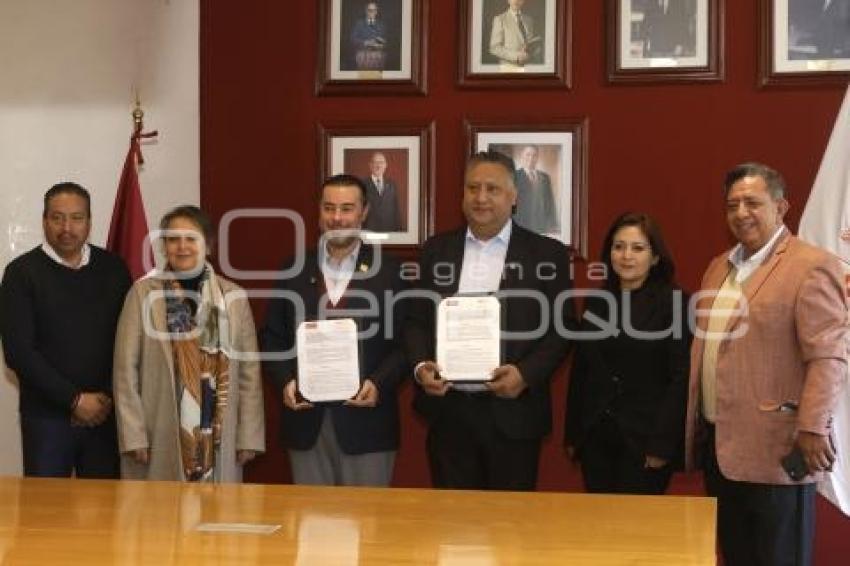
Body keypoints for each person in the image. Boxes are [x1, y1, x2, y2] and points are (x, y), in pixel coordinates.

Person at [684, 163, 848, 566]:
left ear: (781, 207)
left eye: (752, 203)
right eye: (732, 205)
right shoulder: (718, 267)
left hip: (779, 451)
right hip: (721, 451)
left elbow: (828, 355)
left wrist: (813, 426)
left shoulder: (812, 265)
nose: (741, 213)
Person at [405, 151, 575, 491]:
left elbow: (564, 327)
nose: (481, 198)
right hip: (449, 413)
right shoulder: (436, 250)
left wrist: (525, 375)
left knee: (509, 520)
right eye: (473, 188)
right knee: (451, 519)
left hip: (514, 414)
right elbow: (415, 320)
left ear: (514, 196)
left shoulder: (547, 254)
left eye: (492, 189)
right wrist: (422, 366)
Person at [262, 174, 408, 486]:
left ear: (364, 212)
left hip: (367, 424)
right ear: (319, 211)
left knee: (367, 516)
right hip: (306, 423)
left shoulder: (390, 271)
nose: (337, 218)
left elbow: (406, 343)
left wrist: (379, 383)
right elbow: (273, 338)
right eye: (329, 208)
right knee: (310, 515)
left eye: (346, 208)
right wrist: (285, 381)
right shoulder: (293, 269)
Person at [113, 205, 264, 482]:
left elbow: (249, 374)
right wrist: (133, 435)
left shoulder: (234, 297)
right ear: (164, 246)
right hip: (157, 433)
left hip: (220, 436)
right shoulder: (142, 293)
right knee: (159, 508)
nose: (182, 247)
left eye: (191, 238)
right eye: (173, 239)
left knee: (218, 508)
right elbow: (125, 370)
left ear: (208, 245)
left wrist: (249, 437)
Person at [1, 182, 130, 478]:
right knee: (44, 505)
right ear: (44, 221)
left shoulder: (114, 269)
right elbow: (19, 352)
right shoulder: (21, 273)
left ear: (89, 222)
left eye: (76, 218)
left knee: (104, 506)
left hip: (105, 417)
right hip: (46, 420)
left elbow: (128, 342)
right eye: (57, 218)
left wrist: (103, 399)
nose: (67, 228)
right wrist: (74, 400)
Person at [564, 212, 690, 495]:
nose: (626, 256)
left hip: (646, 442)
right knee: (598, 520)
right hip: (595, 438)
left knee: (637, 522)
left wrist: (662, 444)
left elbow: (680, 379)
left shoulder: (675, 303)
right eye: (618, 246)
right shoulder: (595, 302)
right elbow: (581, 370)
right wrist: (573, 434)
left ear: (655, 257)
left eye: (638, 248)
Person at [513, 145, 558, 235]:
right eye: (528, 155)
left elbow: (550, 202)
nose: (531, 158)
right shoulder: (514, 176)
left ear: (537, 158)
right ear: (522, 157)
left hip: (541, 226)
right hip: (521, 225)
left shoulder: (545, 177)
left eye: (534, 155)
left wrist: (552, 224)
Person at [489, 0, 543, 67]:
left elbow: (529, 44)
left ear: (523, 1)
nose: (516, 1)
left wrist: (535, 49)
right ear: (508, 0)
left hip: (528, 67)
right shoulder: (500, 19)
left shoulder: (529, 20)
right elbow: (494, 48)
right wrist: (516, 56)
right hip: (508, 68)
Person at [363, 151, 402, 233]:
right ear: (370, 165)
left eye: (381, 162)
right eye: (375, 162)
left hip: (389, 231)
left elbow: (396, 210)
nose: (378, 166)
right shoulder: (362, 184)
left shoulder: (391, 185)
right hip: (369, 232)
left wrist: (399, 231)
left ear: (385, 165)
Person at [349, 1, 388, 70]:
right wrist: (366, 42)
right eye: (370, 10)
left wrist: (382, 42)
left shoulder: (381, 25)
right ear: (366, 11)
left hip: (378, 57)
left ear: (376, 12)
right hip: (362, 56)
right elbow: (353, 39)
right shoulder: (359, 24)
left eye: (374, 10)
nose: (372, 12)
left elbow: (385, 41)